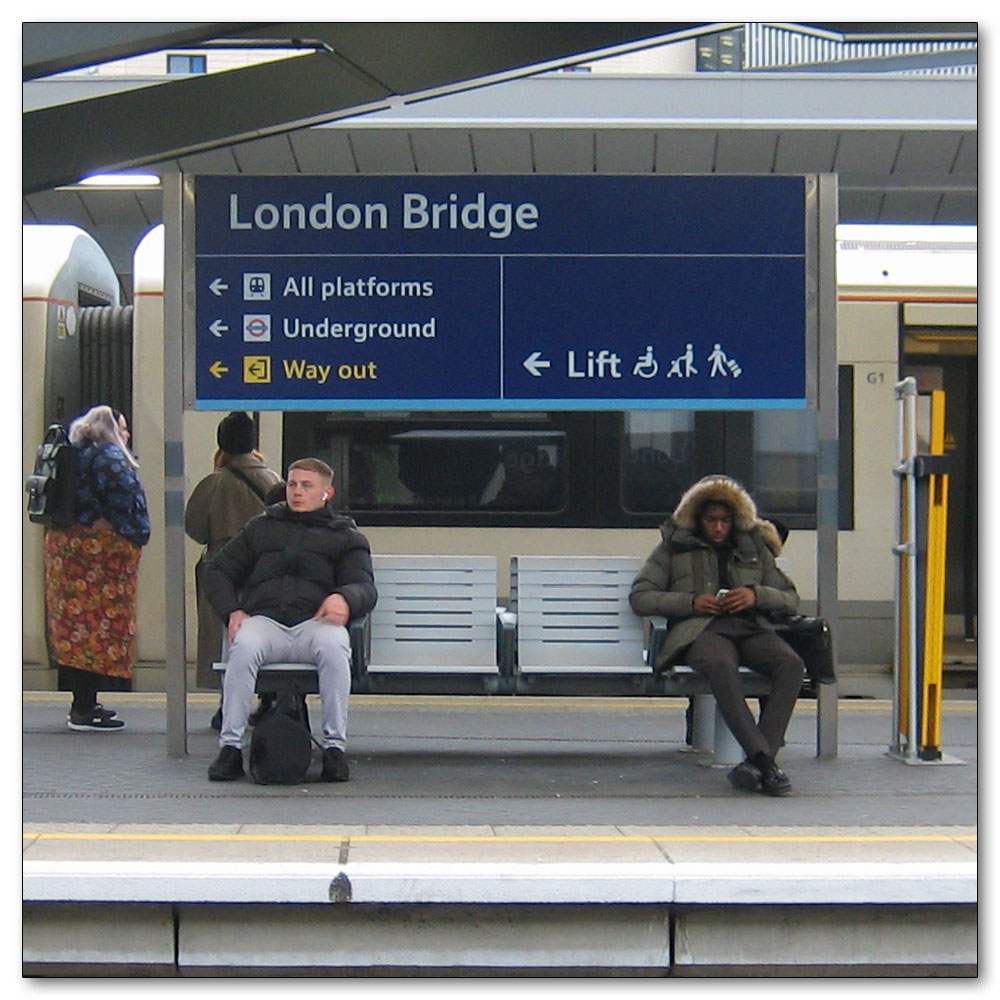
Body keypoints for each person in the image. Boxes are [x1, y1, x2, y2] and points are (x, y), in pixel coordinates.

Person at [201, 457, 377, 782]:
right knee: (242, 645)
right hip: (266, 623)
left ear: (327, 492)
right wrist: (232, 610)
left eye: (306, 486)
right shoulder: (261, 528)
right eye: (292, 484)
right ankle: (230, 748)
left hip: (315, 624)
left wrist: (345, 598)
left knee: (336, 647)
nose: (296, 492)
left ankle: (335, 749)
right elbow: (217, 571)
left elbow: (364, 586)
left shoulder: (346, 536)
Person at [629, 475, 804, 796]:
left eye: (725, 520)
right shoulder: (673, 548)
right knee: (722, 666)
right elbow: (641, 596)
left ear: (735, 520)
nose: (719, 528)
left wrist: (755, 595)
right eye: (712, 521)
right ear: (698, 519)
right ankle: (765, 762)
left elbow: (790, 598)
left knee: (791, 664)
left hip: (751, 627)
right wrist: (690, 602)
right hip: (700, 630)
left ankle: (757, 763)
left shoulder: (754, 548)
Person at [44, 405, 150, 731]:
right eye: (123, 428)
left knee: (77, 631)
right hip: (98, 559)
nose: (127, 435)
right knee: (96, 629)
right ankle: (83, 710)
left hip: (68, 553)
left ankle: (83, 703)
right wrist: (135, 534)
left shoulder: (77, 454)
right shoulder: (110, 457)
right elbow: (129, 503)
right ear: (110, 430)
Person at [184, 412, 283, 728]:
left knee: (225, 639)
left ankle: (227, 705)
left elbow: (196, 529)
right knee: (265, 635)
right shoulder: (274, 480)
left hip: (223, 572)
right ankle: (270, 700)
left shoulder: (215, 482)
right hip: (266, 572)